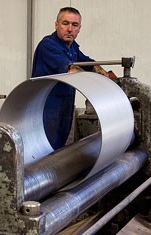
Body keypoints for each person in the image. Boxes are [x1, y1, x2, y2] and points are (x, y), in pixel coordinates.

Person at [31, 6, 109, 150]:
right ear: (56, 25)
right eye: (65, 23)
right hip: (46, 108)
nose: (70, 29)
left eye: (74, 25)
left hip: (64, 107)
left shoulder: (72, 48)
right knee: (45, 151)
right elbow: (72, 69)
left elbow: (88, 64)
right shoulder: (48, 45)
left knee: (59, 150)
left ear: (79, 28)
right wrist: (97, 88)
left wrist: (110, 78)